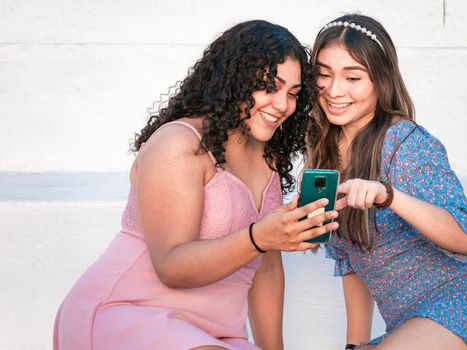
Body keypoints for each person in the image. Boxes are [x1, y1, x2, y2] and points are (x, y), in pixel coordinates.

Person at [53, 20, 339, 350]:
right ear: (235, 79)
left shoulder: (267, 158)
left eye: (293, 94)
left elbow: (267, 272)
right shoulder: (179, 143)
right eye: (269, 87)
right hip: (130, 313)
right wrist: (258, 237)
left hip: (216, 334)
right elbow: (171, 266)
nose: (282, 105)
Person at [306, 13, 467, 349]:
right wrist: (352, 345)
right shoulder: (324, 156)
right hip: (411, 327)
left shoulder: (405, 143)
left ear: (381, 80)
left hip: (465, 310)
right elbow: (350, 263)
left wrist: (388, 196)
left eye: (353, 77)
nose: (334, 90)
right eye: (324, 74)